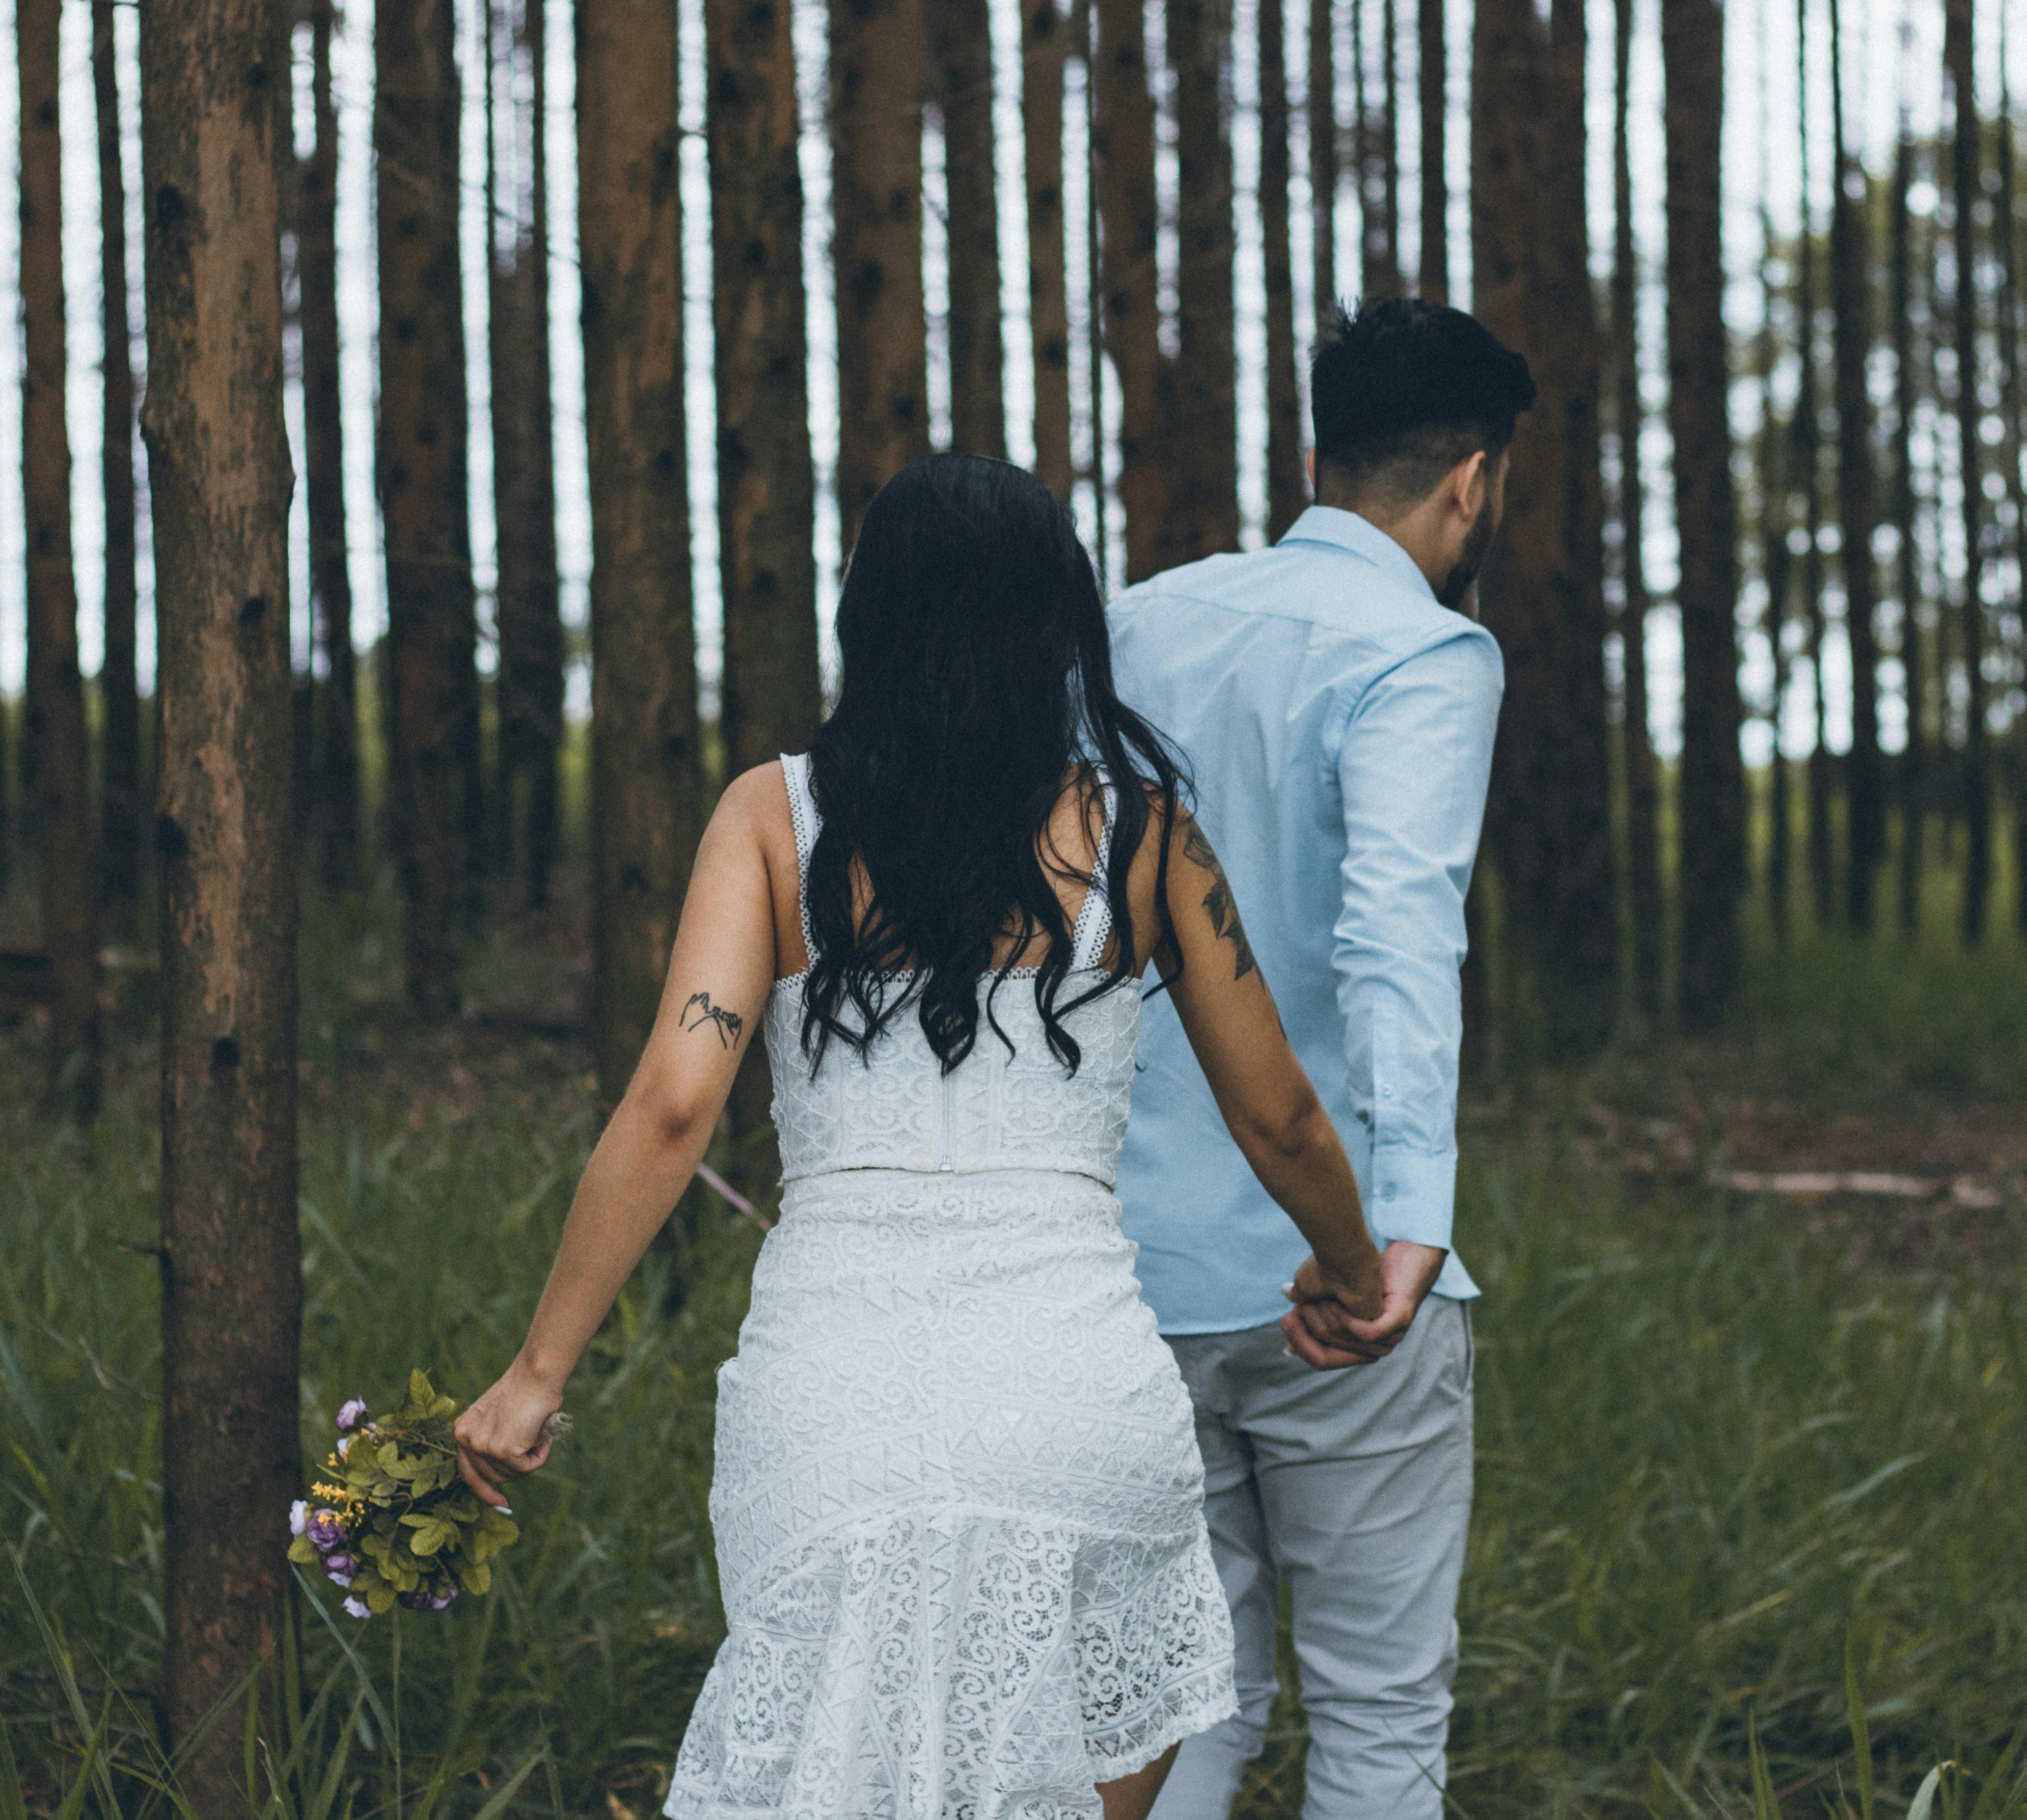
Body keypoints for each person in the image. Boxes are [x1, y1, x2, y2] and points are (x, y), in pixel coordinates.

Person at [453, 455, 1394, 1820]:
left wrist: (537, 1373)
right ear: (1058, 624)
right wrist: (1353, 1270)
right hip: (1077, 1402)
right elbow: (1283, 1114)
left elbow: (671, 1103)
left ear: (867, 619)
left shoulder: (770, 819)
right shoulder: (1146, 834)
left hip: (833, 1408)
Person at [1105, 299, 1534, 1820]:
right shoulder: (1427, 654)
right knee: (1376, 1719)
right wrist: (1406, 1232)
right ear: (1473, 481)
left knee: (1175, 1713)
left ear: (1316, 454)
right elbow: (1399, 941)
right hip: (1333, 1271)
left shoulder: (1138, 620)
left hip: (1124, 1266)